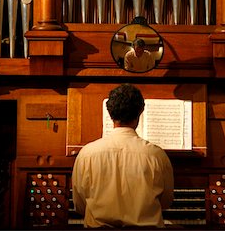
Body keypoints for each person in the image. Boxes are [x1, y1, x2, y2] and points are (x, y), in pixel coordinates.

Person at [72, 84, 174, 228]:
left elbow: (80, 206)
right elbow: (166, 203)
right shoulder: (157, 155)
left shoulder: (86, 154)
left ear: (110, 113)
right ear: (140, 112)